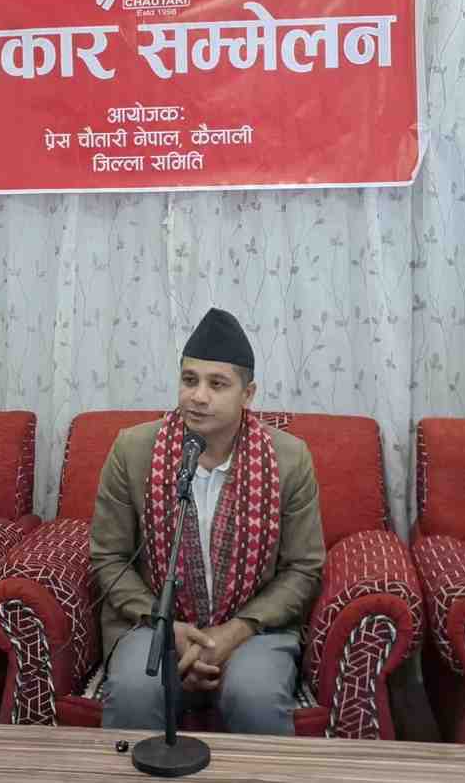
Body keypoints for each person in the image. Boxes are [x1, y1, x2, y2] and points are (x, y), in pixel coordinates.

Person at [91, 308, 324, 734]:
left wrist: (234, 632)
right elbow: (109, 558)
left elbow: (304, 568)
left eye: (217, 384)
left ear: (247, 394)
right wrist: (169, 629)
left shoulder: (289, 459)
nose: (198, 396)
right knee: (136, 690)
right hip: (149, 623)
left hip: (255, 628)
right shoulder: (133, 450)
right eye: (189, 380)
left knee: (254, 695)